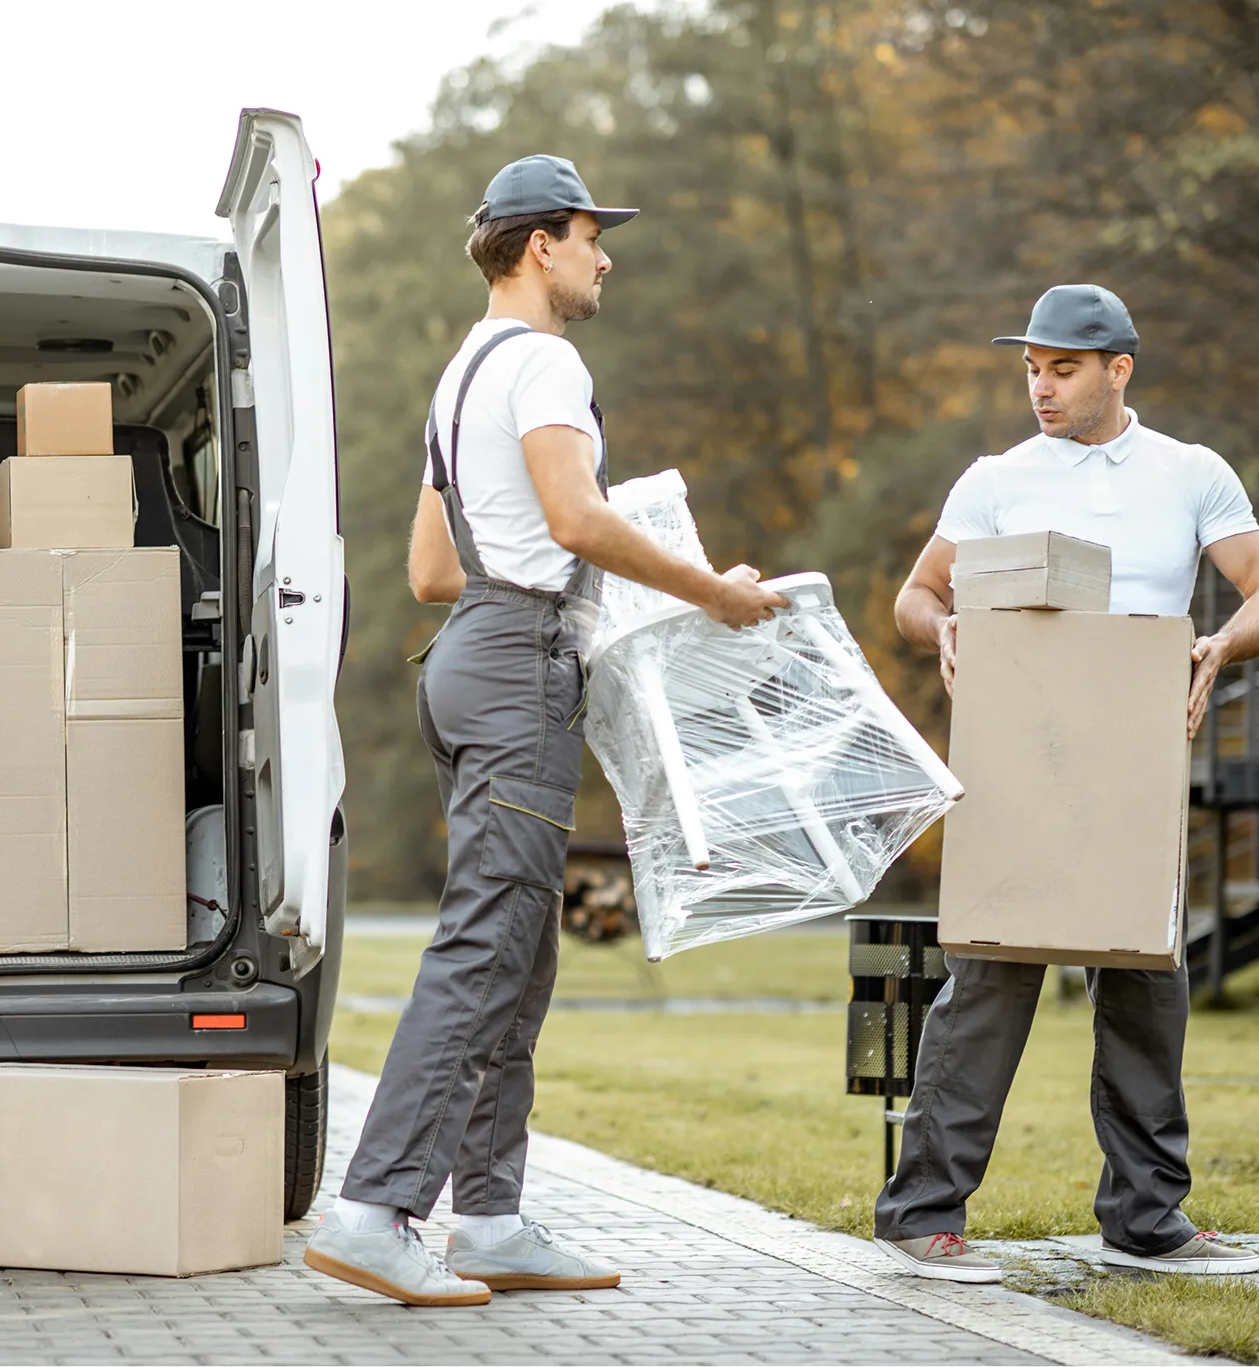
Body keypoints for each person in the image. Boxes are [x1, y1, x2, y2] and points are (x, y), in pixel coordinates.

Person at [302, 156, 788, 1307]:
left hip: (470, 651)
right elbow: (575, 516)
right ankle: (376, 1210)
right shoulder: (547, 362)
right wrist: (709, 590)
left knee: (521, 944)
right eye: (587, 235)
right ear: (538, 246)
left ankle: (490, 1215)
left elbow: (429, 570)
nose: (602, 254)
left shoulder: (459, 376)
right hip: (517, 663)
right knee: (487, 939)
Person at [873, 284, 1259, 1282]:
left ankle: (1147, 1221)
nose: (1040, 384)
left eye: (1061, 366)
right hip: (1015, 760)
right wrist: (940, 629)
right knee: (986, 980)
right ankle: (923, 1213)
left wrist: (1217, 643)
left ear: (1118, 369)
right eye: (1029, 365)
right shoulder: (995, 479)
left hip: (1134, 764)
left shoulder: (1189, 474)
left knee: (1148, 987)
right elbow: (913, 593)